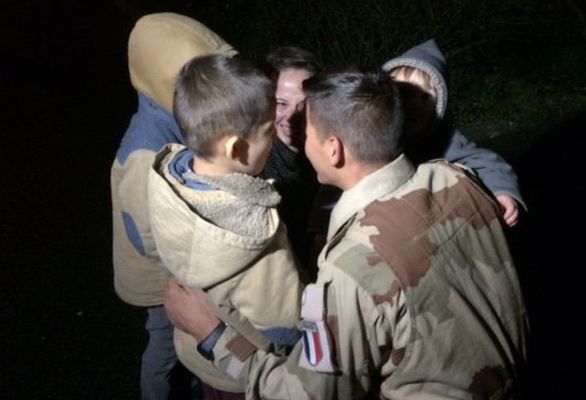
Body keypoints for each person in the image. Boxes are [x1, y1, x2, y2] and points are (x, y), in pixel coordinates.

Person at [164, 68, 529, 399]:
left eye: (306, 131)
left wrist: (212, 335)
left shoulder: (352, 272)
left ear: (334, 149)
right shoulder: (456, 179)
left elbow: (304, 395)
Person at [146, 54, 304, 398]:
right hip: (243, 370)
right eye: (267, 132)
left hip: (196, 348)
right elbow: (285, 328)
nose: (274, 138)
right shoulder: (255, 235)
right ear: (236, 147)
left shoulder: (169, 177)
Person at [110, 12, 237, 399]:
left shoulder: (177, 121)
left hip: (179, 268)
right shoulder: (143, 152)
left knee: (188, 336)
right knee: (163, 345)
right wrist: (189, 264)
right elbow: (143, 232)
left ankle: (195, 378)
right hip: (159, 278)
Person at [382, 39, 525, 227]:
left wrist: (501, 191)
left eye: (425, 97)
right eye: (404, 93)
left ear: (439, 105)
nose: (414, 105)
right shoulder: (372, 135)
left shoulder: (443, 138)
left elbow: (485, 162)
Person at [259, 46, 322, 269]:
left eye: (304, 105)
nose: (291, 117)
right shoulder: (253, 165)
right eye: (281, 104)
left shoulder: (332, 153)